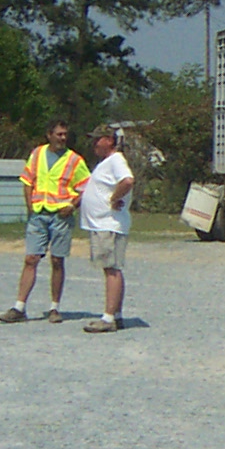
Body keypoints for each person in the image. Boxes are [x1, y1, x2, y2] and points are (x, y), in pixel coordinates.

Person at [0, 120, 90, 324]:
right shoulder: (37, 154)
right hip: (39, 214)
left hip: (61, 216)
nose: (63, 138)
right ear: (49, 135)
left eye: (65, 134)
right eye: (59, 134)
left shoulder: (74, 160)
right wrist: (30, 206)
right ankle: (19, 307)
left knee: (57, 260)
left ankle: (54, 307)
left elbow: (86, 187)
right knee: (31, 259)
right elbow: (27, 180)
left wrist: (72, 205)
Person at [79, 126, 135, 333]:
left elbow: (127, 180)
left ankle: (108, 318)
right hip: (102, 224)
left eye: (97, 139)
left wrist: (114, 198)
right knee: (111, 268)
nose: (94, 144)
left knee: (111, 269)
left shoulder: (116, 160)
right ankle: (116, 315)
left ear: (109, 140)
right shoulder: (106, 163)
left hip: (108, 224)